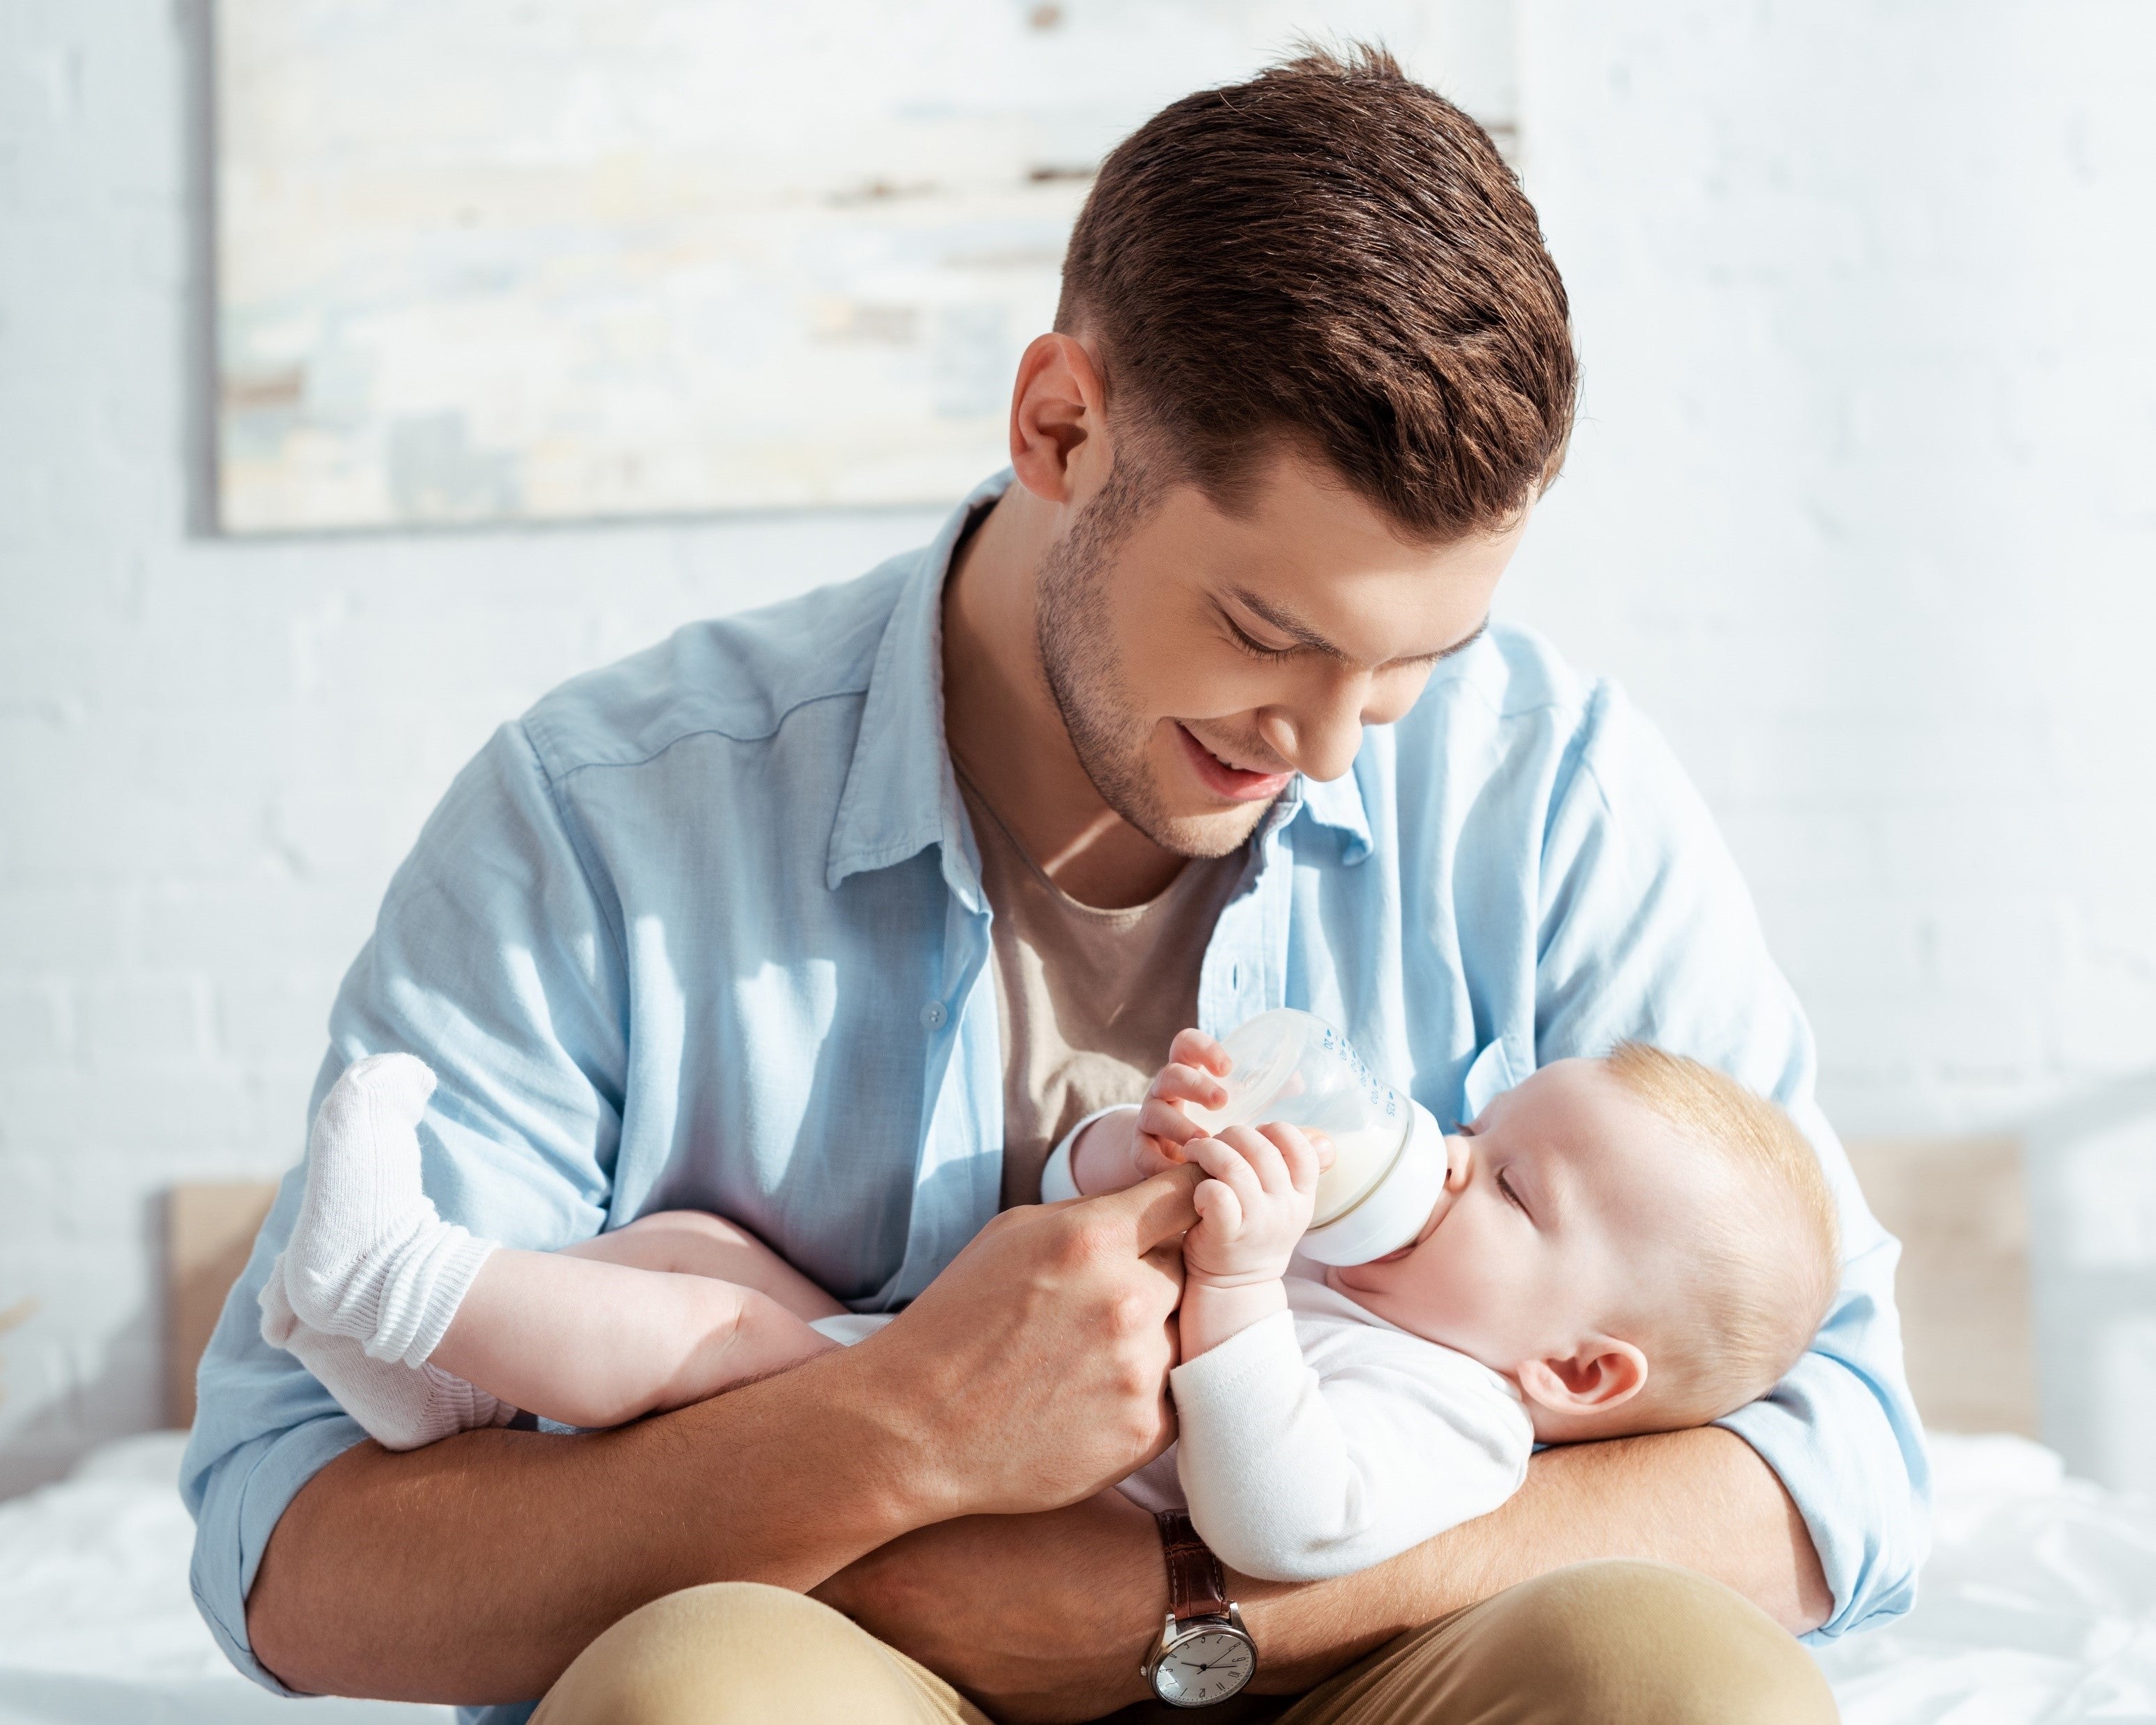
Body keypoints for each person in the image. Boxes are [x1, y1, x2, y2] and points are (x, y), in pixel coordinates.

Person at [184, 44, 1925, 1725]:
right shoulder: (602, 821)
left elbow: (1829, 1447)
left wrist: (1185, 1613)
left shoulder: (1547, 785)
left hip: (1373, 1648)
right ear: (1059, 425)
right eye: (1264, 629)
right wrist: (899, 1443)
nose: (1329, 748)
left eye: (1410, 663)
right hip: (833, 1646)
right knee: (697, 1693)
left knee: (1689, 1687)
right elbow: (295, 1552)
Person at [261, 1034, 1840, 1599]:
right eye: (1478, 1120)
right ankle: (436, 1384)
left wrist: (1232, 1282)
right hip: (906, 1360)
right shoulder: (1362, 1271)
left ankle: (390, 1275)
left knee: (715, 1341)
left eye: (1501, 1184)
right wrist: (1138, 1146)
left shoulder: (1459, 1418)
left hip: (912, 1458)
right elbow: (1065, 1220)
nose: (1439, 1152)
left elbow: (1284, 1516)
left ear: (1574, 1366)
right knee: (695, 1249)